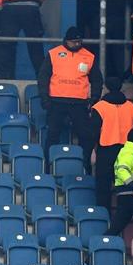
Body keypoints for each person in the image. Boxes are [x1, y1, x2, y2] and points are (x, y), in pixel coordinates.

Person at [38, 27, 104, 172]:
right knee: (53, 135)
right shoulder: (54, 54)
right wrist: (45, 99)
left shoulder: (89, 56)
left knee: (85, 136)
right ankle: (48, 167)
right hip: (56, 102)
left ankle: (84, 165)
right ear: (66, 40)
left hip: (79, 103)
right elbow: (43, 78)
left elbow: (97, 80)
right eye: (74, 42)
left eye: (79, 41)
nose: (77, 44)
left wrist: (94, 99)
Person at [91, 77, 133, 211]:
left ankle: (103, 216)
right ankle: (127, 213)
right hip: (126, 151)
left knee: (103, 186)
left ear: (106, 88)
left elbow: (93, 132)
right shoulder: (131, 107)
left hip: (106, 150)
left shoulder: (99, 107)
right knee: (125, 186)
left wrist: (92, 151)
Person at [107, 127, 133, 235]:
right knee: (116, 226)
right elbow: (122, 170)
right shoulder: (131, 151)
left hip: (127, 195)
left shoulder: (130, 150)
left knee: (116, 227)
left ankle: (102, 245)